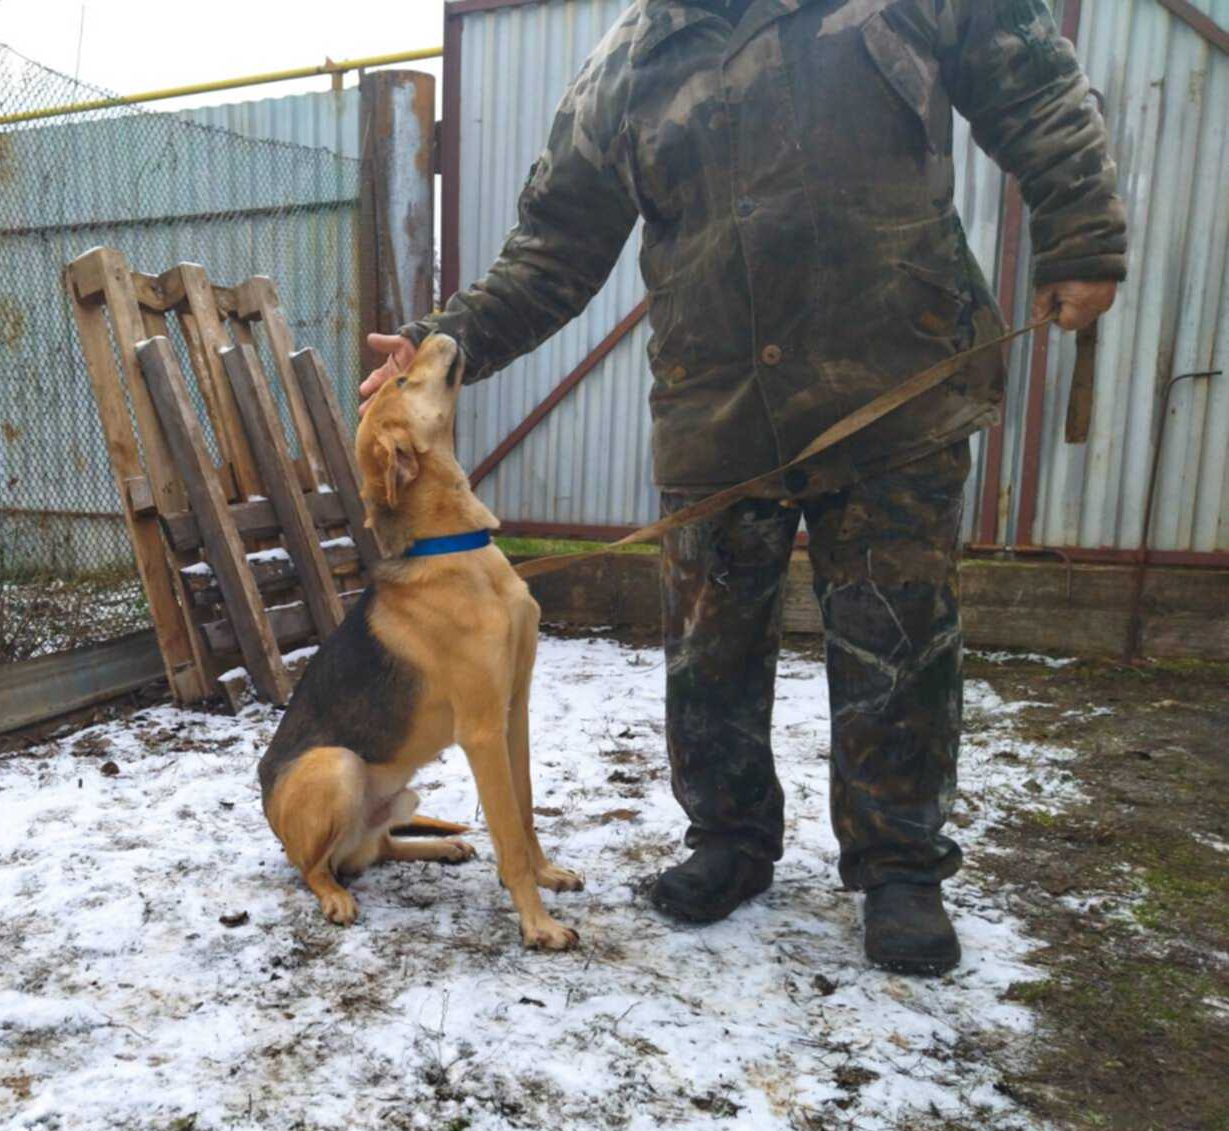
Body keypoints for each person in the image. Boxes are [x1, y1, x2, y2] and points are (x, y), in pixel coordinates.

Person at [359, 0, 1125, 975]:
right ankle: (727, 838)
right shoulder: (629, 64)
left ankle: (899, 867)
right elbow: (554, 246)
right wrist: (449, 338)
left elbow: (1031, 78)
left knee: (899, 635)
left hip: (893, 376)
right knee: (708, 645)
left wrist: (1083, 229)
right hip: (717, 404)